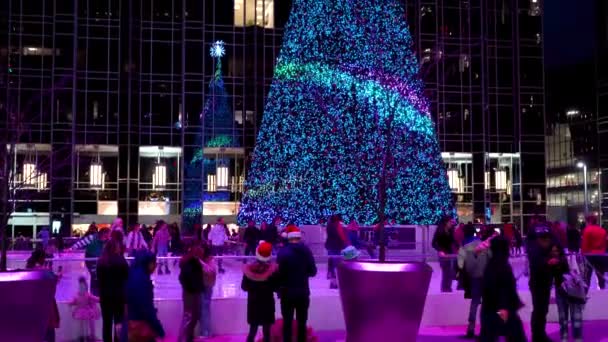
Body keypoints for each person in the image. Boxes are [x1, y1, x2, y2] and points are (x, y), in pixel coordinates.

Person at [479, 236, 526, 341]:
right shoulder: (501, 266)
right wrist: (503, 308)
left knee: (489, 334)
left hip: (491, 308)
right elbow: (502, 289)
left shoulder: (492, 264)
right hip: (501, 309)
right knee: (514, 334)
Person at [277, 225, 317, 342]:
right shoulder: (306, 251)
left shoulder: (282, 252)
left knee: (287, 323)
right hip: (303, 292)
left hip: (287, 293)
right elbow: (313, 271)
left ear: (287, 237)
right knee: (302, 323)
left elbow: (279, 274)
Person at [457, 224, 490, 339]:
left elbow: (460, 263)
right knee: (487, 303)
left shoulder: (464, 245)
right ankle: (486, 329)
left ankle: (471, 329)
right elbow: (490, 256)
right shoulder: (481, 242)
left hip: (474, 277)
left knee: (475, 302)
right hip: (485, 276)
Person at [124, 250, 165, 342]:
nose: (155, 266)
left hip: (132, 323)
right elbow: (145, 306)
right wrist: (158, 327)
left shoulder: (132, 274)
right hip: (140, 325)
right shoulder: (142, 279)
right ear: (149, 263)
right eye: (154, 263)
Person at [242, 241, 279, 342]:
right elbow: (276, 287)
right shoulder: (273, 270)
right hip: (267, 304)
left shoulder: (249, 269)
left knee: (252, 331)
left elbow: (244, 287)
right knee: (267, 332)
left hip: (253, 304)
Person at [528, 223, 557, 342]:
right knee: (539, 310)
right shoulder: (535, 250)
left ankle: (540, 333)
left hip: (545, 282)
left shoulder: (546, 250)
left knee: (543, 309)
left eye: (548, 238)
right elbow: (536, 265)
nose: (547, 240)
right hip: (537, 283)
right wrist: (548, 263)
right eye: (544, 238)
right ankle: (537, 335)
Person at [551, 244, 585, 342]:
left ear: (560, 251)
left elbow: (572, 270)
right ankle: (564, 339)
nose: (554, 253)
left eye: (556, 251)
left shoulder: (565, 260)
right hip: (561, 292)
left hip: (573, 292)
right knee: (563, 320)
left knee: (576, 320)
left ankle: (577, 339)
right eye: (552, 251)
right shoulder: (551, 262)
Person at [97, 239, 129, 342]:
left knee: (106, 323)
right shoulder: (121, 261)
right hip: (119, 296)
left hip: (105, 297)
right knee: (118, 322)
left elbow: (99, 280)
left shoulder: (101, 261)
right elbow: (127, 278)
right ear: (116, 248)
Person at [27, 249, 61, 342]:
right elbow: (52, 284)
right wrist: (58, 277)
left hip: (33, 303)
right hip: (45, 303)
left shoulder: (29, 270)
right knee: (48, 330)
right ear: (41, 258)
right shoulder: (43, 271)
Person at [69, 227, 111, 296]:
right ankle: (94, 294)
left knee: (101, 275)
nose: (107, 237)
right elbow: (80, 243)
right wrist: (71, 248)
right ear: (103, 233)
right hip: (91, 259)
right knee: (94, 275)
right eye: (107, 235)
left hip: (101, 259)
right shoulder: (92, 237)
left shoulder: (108, 240)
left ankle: (100, 293)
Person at [178, 245, 206, 342]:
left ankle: (188, 337)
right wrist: (191, 287)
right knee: (189, 317)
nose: (202, 254)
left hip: (194, 292)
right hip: (190, 293)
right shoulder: (190, 263)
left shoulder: (195, 262)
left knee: (194, 316)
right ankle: (183, 338)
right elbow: (183, 278)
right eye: (201, 252)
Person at [69, 277, 100, 342]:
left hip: (80, 312)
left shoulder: (78, 295)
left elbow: (72, 302)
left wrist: (71, 303)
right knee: (84, 326)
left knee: (81, 327)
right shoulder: (86, 295)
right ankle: (87, 337)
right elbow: (96, 299)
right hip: (86, 312)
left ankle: (83, 337)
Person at [581, 215, 607, 289]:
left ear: (589, 221)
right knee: (601, 275)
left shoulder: (587, 230)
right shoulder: (602, 230)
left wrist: (582, 253)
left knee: (587, 276)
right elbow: (605, 243)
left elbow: (585, 243)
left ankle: (586, 292)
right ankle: (603, 290)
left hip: (589, 255)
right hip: (601, 255)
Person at [432, 216, 457, 292]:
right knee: (446, 270)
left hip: (450, 254)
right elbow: (433, 243)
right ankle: (445, 288)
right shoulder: (439, 231)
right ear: (446, 222)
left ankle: (447, 287)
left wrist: (459, 248)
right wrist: (440, 250)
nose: (452, 223)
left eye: (452, 222)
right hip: (443, 254)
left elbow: (453, 241)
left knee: (450, 270)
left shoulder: (451, 230)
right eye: (450, 222)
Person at [325, 215, 348, 289]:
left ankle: (333, 283)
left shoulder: (330, 225)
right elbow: (339, 237)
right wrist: (342, 245)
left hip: (331, 247)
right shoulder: (335, 226)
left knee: (332, 265)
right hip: (335, 247)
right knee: (336, 265)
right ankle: (334, 283)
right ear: (336, 220)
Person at [200, 242, 217, 338]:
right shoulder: (206, 260)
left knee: (204, 309)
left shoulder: (210, 260)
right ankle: (207, 331)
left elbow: (211, 271)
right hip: (204, 286)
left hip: (206, 286)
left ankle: (206, 332)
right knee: (205, 309)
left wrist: (201, 263)